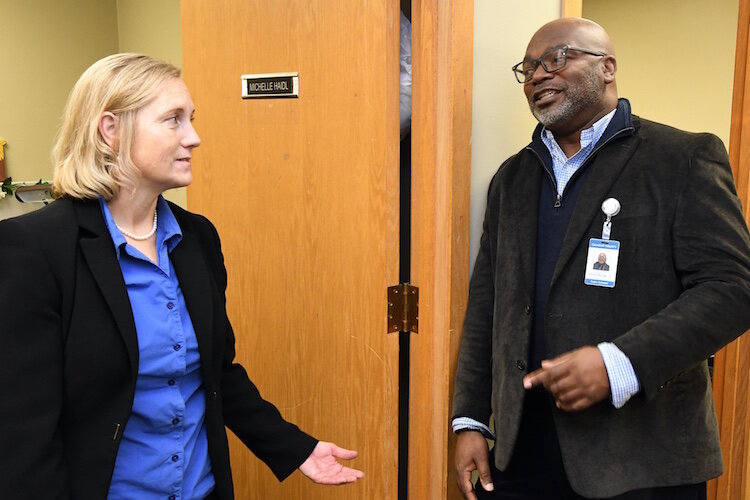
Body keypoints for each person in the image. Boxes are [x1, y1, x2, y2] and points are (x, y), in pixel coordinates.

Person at [0, 53, 363, 499]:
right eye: (173, 120)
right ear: (110, 130)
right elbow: (23, 434)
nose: (194, 137)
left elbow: (217, 374)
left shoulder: (197, 238)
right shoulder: (36, 249)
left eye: (190, 119)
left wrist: (295, 449)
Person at [452, 17, 750, 500]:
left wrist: (618, 364)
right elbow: (488, 306)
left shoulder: (683, 158)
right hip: (523, 455)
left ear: (607, 67)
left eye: (557, 58)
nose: (538, 75)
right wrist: (469, 420)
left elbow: (734, 289)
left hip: (643, 457)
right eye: (527, 68)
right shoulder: (511, 179)